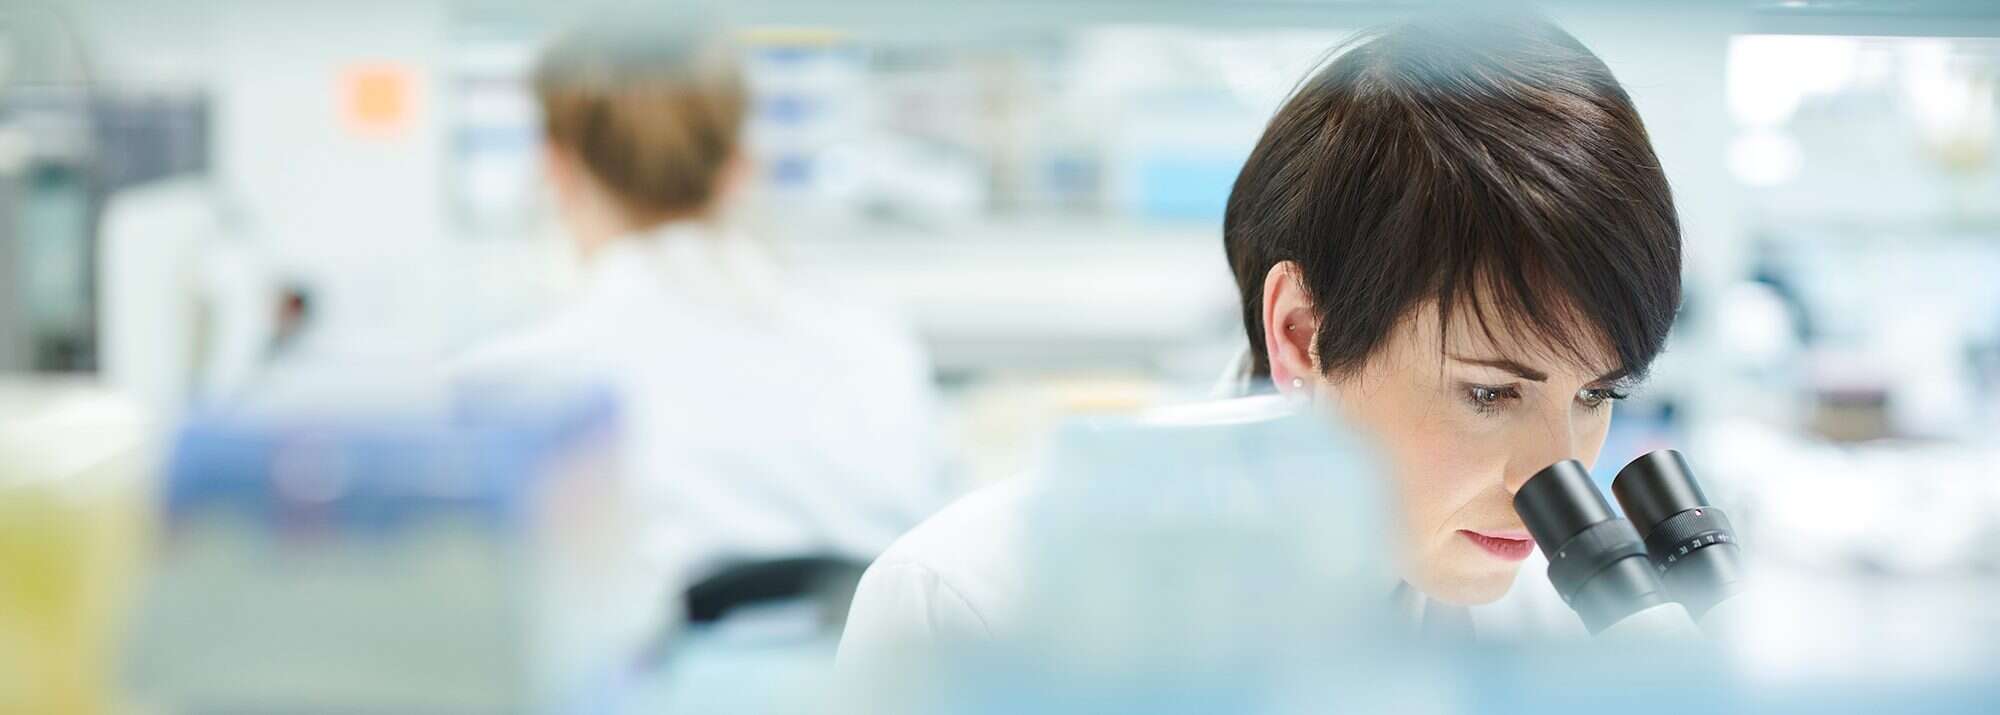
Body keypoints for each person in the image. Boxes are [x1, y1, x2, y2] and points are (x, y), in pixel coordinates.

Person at [838, 13, 1682, 661]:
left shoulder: (1560, 636)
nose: (1555, 475)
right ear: (1302, 334)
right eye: (1489, 392)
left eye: (1596, 393)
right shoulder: (976, 607)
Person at [455, 16, 946, 596]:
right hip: (859, 681)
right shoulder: (875, 350)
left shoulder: (510, 386)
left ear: (556, 168)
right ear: (739, 166)